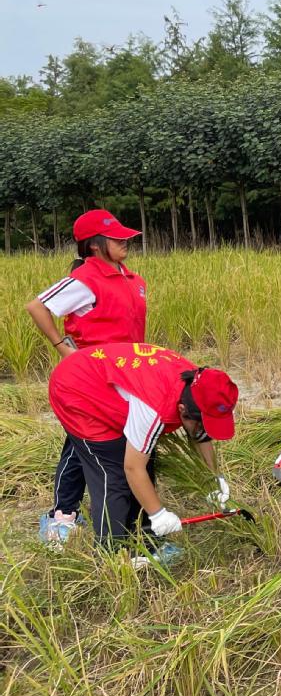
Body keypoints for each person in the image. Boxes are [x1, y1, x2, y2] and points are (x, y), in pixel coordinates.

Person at [47, 342, 238, 565]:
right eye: (201, 423)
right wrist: (158, 514)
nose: (204, 431)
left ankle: (144, 541)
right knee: (113, 473)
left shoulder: (199, 386)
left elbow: (200, 435)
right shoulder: (156, 406)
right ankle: (113, 555)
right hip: (76, 389)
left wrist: (214, 479)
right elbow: (132, 467)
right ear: (183, 411)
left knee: (143, 460)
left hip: (104, 380)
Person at [26, 209, 147, 546]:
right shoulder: (86, 280)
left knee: (100, 441)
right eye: (116, 238)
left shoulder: (132, 279)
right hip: (90, 378)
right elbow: (37, 307)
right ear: (94, 245)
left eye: (126, 237)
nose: (126, 242)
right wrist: (66, 350)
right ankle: (62, 514)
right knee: (81, 442)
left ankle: (109, 504)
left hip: (125, 376)